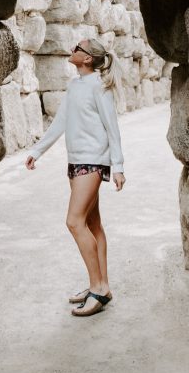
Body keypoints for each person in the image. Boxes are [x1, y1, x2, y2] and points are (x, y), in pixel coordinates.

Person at [25, 37, 126, 317]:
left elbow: (112, 127)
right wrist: (37, 151)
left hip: (92, 161)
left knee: (74, 221)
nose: (72, 49)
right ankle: (103, 285)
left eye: (77, 48)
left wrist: (118, 166)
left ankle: (98, 288)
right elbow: (60, 122)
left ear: (87, 58)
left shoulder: (100, 86)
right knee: (93, 224)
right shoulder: (75, 85)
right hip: (76, 160)